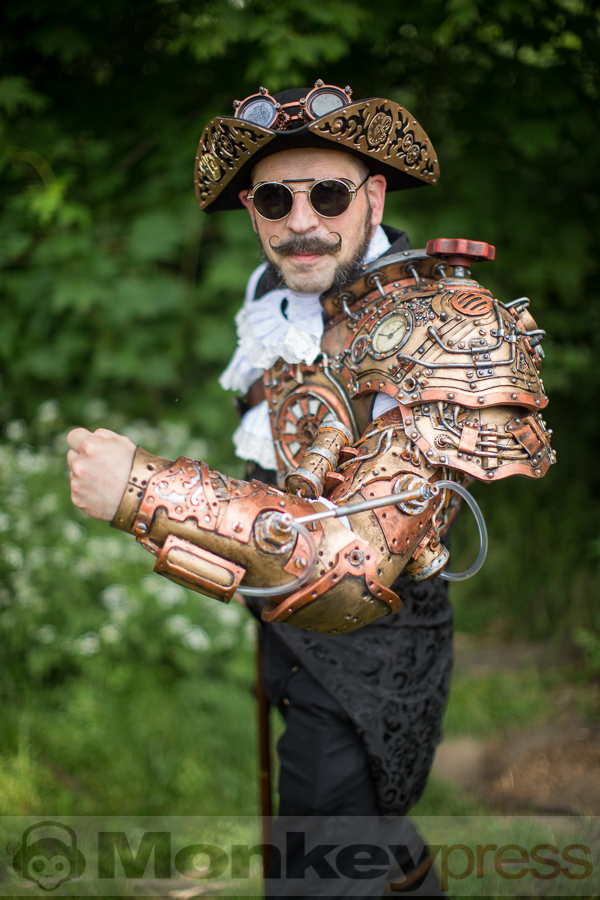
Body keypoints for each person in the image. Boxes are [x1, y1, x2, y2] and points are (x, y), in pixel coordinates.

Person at [67, 80, 554, 895]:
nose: (301, 222)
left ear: (373, 195)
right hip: (281, 617)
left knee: (323, 863)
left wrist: (139, 491)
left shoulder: (439, 324)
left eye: (328, 194)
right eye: (273, 198)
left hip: (371, 637)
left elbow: (352, 566)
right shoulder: (272, 297)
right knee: (358, 841)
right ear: (252, 210)